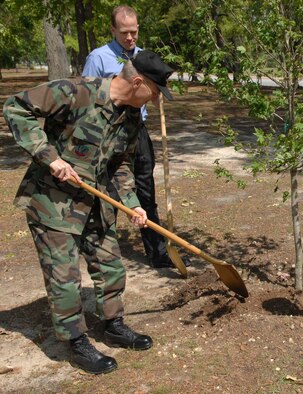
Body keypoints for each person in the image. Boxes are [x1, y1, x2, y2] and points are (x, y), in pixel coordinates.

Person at [3, 50, 175, 374]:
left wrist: (132, 203)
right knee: (64, 279)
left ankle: (114, 324)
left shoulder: (131, 119)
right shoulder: (76, 92)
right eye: (154, 93)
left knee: (111, 266)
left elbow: (121, 165)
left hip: (96, 202)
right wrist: (49, 156)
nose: (155, 101)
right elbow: (16, 107)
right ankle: (77, 341)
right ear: (138, 82)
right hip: (52, 203)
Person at [82, 5, 184, 269]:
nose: (130, 38)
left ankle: (158, 252)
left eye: (134, 32)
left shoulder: (142, 56)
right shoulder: (99, 57)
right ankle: (105, 251)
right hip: (109, 135)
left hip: (138, 132)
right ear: (113, 29)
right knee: (111, 191)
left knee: (146, 191)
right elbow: (89, 96)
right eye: (125, 32)